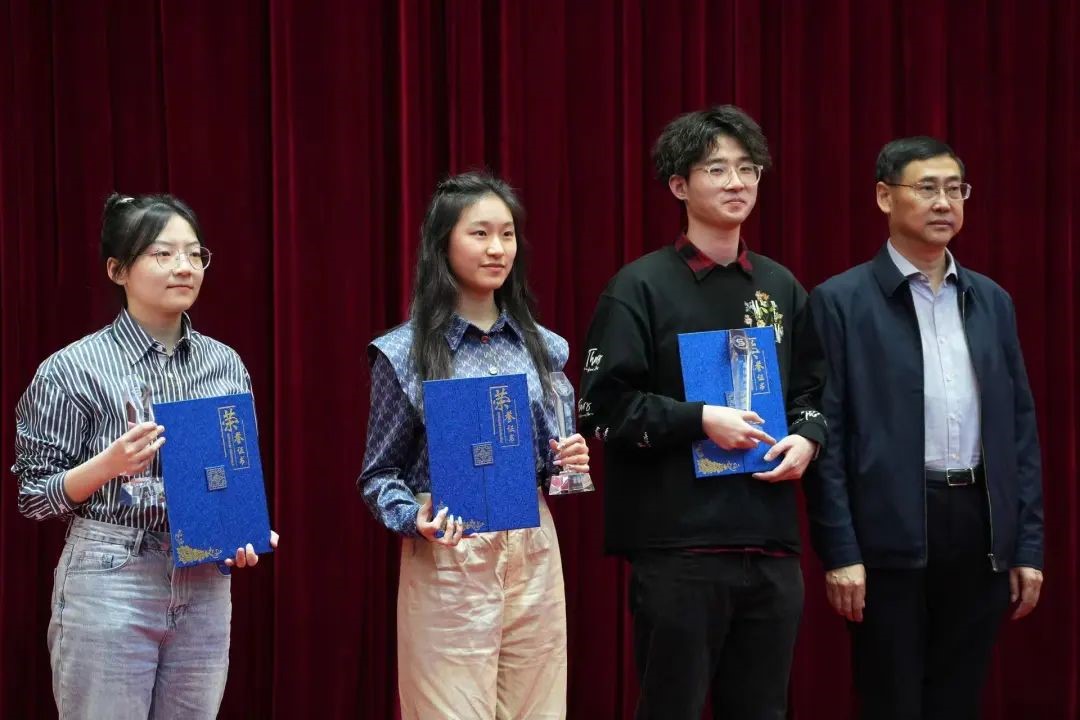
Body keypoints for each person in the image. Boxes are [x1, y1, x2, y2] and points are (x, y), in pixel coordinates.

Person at [578, 105, 826, 720]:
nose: (736, 182)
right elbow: (601, 407)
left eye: (748, 168)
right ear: (679, 186)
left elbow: (815, 393)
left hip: (769, 544)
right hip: (679, 549)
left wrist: (807, 439)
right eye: (716, 169)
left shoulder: (781, 287)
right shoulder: (639, 286)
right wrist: (700, 419)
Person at [13, 192, 279, 719]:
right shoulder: (73, 368)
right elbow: (33, 497)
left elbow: (230, 475)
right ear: (118, 270)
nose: (184, 267)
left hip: (204, 581)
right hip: (111, 573)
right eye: (163, 253)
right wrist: (107, 466)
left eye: (195, 254)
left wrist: (240, 530)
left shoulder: (225, 364)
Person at [806, 136, 1045, 719]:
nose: (944, 203)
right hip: (888, 528)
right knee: (891, 698)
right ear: (884, 197)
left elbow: (1020, 429)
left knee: (959, 698)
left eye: (955, 190)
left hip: (980, 524)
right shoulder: (839, 301)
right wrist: (841, 550)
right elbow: (825, 436)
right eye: (927, 188)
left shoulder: (991, 300)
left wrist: (1027, 545)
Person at [358, 172, 589, 719]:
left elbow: (551, 460)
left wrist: (568, 460)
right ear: (443, 244)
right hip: (449, 547)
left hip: (531, 543)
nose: (497, 249)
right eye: (479, 233)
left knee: (538, 708)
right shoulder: (405, 353)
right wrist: (414, 518)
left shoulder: (543, 347)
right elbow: (378, 474)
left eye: (507, 235)